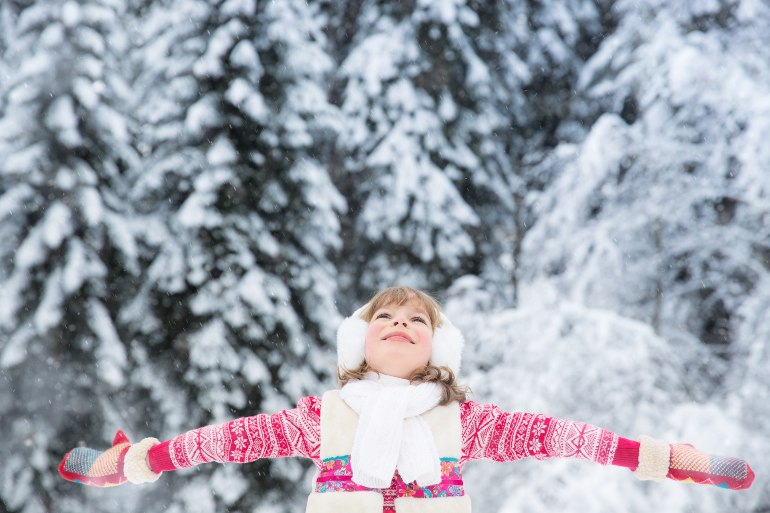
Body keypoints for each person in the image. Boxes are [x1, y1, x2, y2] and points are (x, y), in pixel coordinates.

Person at [59, 286, 755, 512]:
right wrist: (137, 461)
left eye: (416, 319)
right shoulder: (322, 417)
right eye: (385, 317)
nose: (399, 323)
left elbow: (563, 436)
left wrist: (667, 457)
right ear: (359, 343)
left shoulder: (469, 422)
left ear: (437, 349)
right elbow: (224, 440)